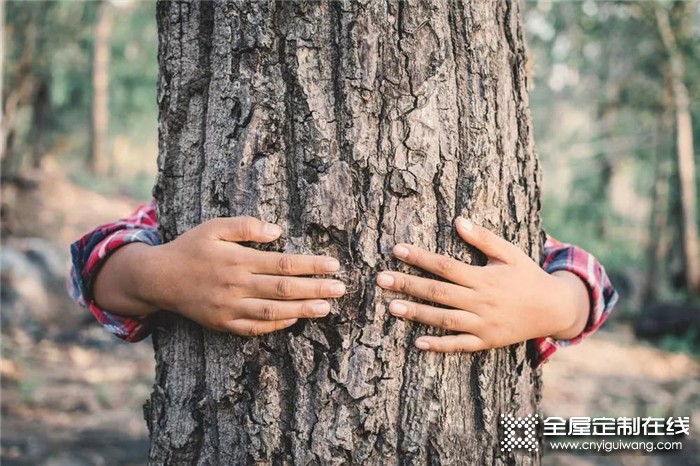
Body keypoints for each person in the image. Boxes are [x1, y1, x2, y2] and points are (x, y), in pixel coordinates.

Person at [69, 201, 617, 366]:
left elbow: (589, 287)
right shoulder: (188, 211)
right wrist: (160, 275)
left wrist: (549, 301)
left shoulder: (499, 223)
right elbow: (93, 267)